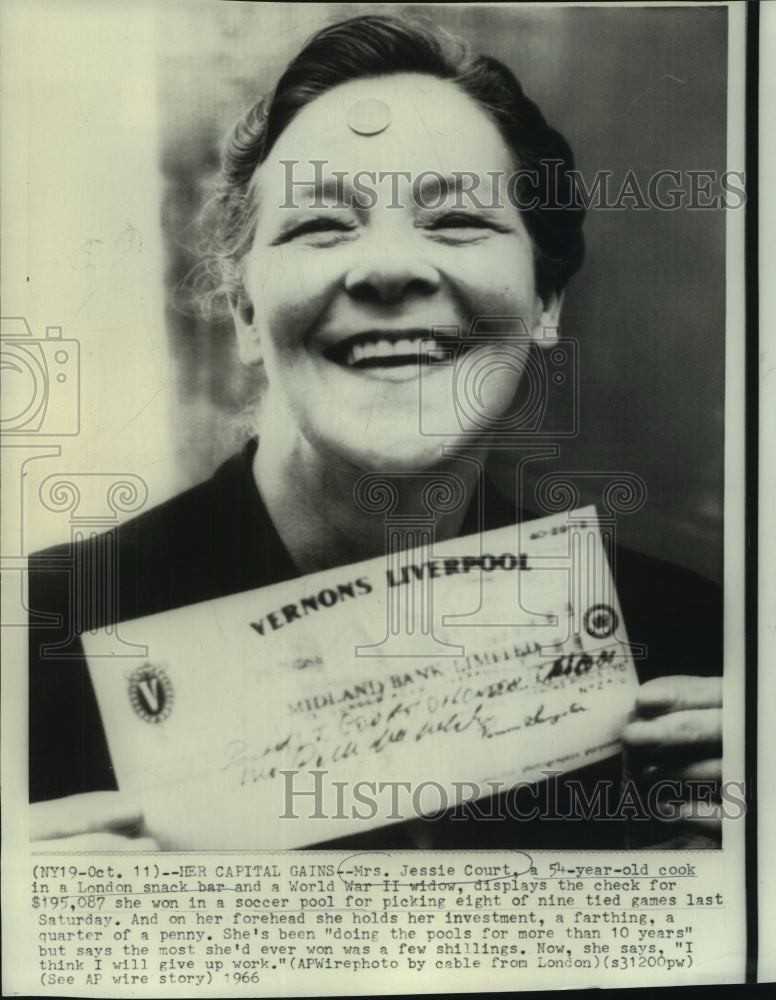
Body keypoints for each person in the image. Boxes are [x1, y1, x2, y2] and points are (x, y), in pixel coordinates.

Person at [28, 14, 723, 850]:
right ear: (246, 315)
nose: (390, 268)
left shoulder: (697, 648)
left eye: (457, 219)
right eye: (321, 225)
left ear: (545, 303)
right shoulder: (31, 650)